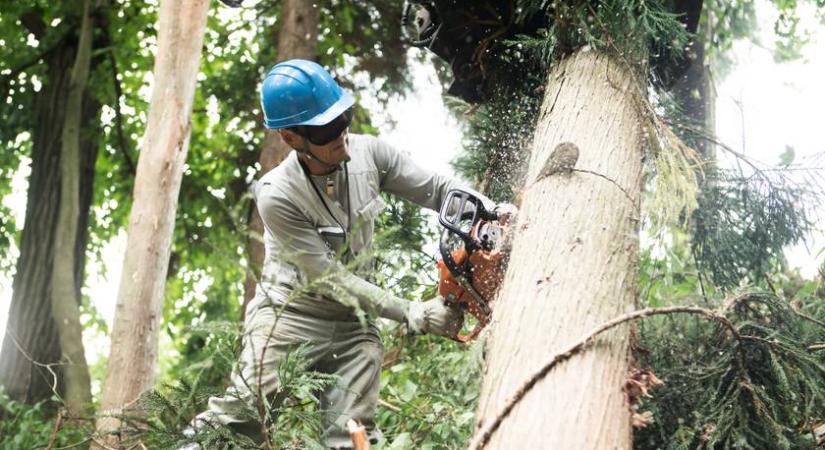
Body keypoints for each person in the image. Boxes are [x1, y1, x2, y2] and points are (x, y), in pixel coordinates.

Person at [182, 59, 499, 449]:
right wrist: (411, 310)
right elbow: (330, 278)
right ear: (292, 138)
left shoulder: (371, 155)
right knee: (244, 415)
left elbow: (436, 189)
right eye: (326, 128)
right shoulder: (277, 195)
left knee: (352, 434)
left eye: (342, 118)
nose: (341, 133)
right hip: (288, 318)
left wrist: (491, 211)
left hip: (353, 325)